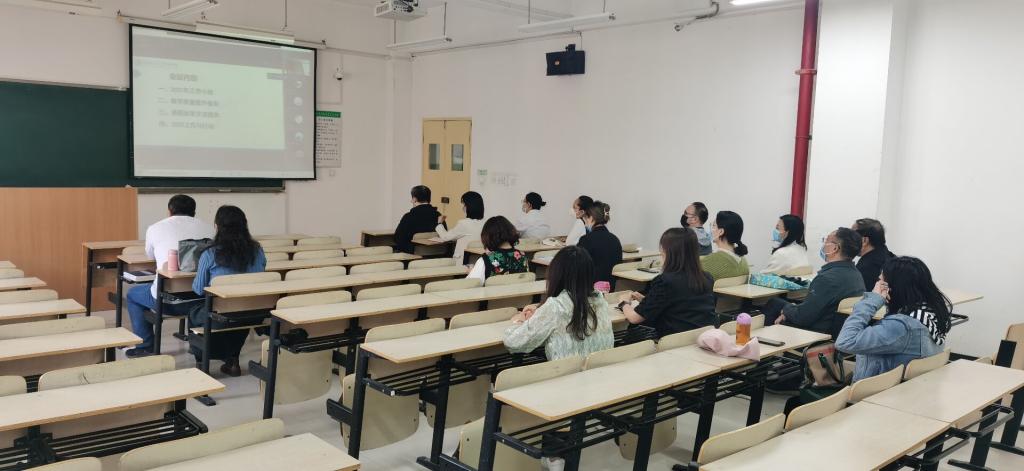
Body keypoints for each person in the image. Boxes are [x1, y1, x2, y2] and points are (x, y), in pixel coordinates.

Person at [125, 195, 214, 358]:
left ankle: (146, 346)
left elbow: (150, 256)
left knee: (132, 295)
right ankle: (195, 344)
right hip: (203, 300)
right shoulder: (209, 229)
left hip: (167, 301)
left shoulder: (155, 228)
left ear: (169, 211)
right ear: (194, 212)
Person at [836, 256, 949, 381]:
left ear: (891, 287)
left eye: (880, 282)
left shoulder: (900, 326)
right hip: (914, 384)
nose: (877, 285)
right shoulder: (933, 313)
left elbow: (844, 342)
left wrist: (873, 299)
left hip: (877, 389)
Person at [189, 206, 267, 376]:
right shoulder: (258, 250)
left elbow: (198, 290)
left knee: (194, 313)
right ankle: (232, 361)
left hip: (221, 317)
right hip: (254, 314)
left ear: (217, 226)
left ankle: (201, 363)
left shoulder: (210, 254)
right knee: (239, 312)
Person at [504, 246, 614, 361]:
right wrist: (540, 313)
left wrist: (520, 320)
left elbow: (513, 342)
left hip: (567, 372)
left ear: (556, 273)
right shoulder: (600, 300)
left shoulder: (556, 306)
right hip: (601, 369)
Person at [763, 227, 866, 336]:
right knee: (782, 304)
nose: (824, 244)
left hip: (816, 332)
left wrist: (786, 311)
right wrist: (793, 308)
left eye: (826, 240)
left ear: (835, 248)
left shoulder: (826, 279)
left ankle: (761, 341)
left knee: (774, 304)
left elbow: (802, 318)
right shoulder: (856, 274)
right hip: (838, 330)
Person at [617, 228, 715, 338]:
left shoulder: (664, 281)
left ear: (668, 252)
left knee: (631, 331)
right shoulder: (706, 277)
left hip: (673, 341)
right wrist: (647, 301)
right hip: (702, 338)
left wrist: (624, 303)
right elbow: (681, 306)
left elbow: (634, 318)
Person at [576, 201, 622, 287]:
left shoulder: (586, 239)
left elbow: (577, 266)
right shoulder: (615, 239)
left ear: (591, 218)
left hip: (589, 288)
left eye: (586, 218)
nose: (585, 223)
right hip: (610, 288)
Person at [467, 216, 528, 281]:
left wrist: (471, 272)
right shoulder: (523, 257)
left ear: (488, 236)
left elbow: (472, 283)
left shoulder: (485, 260)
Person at [435, 191, 484, 265]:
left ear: (468, 206)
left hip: (462, 262)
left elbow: (445, 237)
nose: (463, 207)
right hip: (477, 262)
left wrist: (439, 223)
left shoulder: (463, 223)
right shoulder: (484, 223)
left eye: (464, 204)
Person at [700, 210, 750, 281]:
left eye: (713, 225)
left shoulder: (707, 263)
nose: (711, 229)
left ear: (721, 232)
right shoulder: (744, 262)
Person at [394, 185, 442, 254]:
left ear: (414, 199)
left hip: (412, 256)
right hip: (438, 254)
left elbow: (398, 239)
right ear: (429, 199)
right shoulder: (438, 216)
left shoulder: (409, 217)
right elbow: (443, 236)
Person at [853, 218, 895, 290]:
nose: (848, 241)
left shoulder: (866, 268)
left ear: (864, 240)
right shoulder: (891, 257)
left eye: (852, 236)